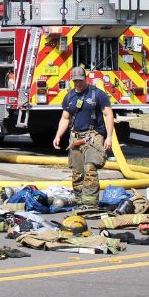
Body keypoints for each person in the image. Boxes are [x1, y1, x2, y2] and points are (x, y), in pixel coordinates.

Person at [52, 66, 116, 206]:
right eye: (75, 81)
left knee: (90, 169)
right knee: (77, 173)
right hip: (76, 137)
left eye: (80, 81)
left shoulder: (97, 94)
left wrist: (109, 137)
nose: (78, 84)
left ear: (85, 79)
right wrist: (58, 136)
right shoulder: (69, 97)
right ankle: (80, 202)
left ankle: (90, 204)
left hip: (93, 136)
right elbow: (65, 118)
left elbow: (108, 114)